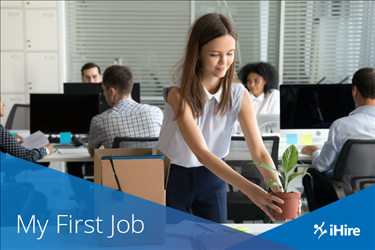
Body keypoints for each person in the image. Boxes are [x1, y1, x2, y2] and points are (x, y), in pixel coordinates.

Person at [155, 13, 285, 223]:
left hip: (213, 175)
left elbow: (260, 151)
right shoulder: (177, 94)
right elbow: (201, 153)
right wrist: (251, 191)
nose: (224, 62)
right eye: (215, 54)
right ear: (197, 53)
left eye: (230, 53)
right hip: (173, 176)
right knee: (174, 240)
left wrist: (279, 191)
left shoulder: (238, 93)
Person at [301, 67, 375, 175]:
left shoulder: (340, 126)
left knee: (311, 175)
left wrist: (316, 152)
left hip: (349, 190)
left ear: (355, 91)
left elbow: (323, 166)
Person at [87, 65, 163, 156]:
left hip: (118, 170)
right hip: (153, 169)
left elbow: (92, 153)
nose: (103, 94)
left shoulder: (99, 121)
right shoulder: (156, 112)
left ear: (112, 92)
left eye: (104, 90)